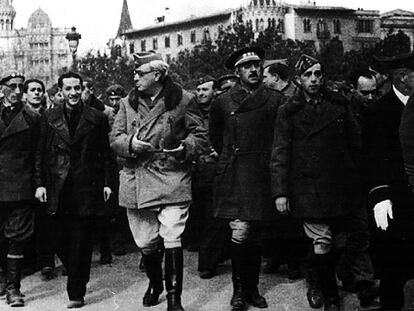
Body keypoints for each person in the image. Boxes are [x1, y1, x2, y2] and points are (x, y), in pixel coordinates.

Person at [110, 52, 207, 311]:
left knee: (172, 235)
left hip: (172, 176)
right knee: (146, 242)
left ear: (158, 74)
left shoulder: (184, 100)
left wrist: (185, 148)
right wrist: (130, 144)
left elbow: (201, 136)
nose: (135, 77)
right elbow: (115, 137)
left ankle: (174, 299)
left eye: (140, 73)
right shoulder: (126, 103)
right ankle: (156, 284)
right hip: (136, 177)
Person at [271, 54, 362, 311]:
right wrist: (280, 192)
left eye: (318, 74)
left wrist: (357, 179)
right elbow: (279, 153)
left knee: (343, 240)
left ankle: (317, 275)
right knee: (322, 241)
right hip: (307, 186)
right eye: (308, 75)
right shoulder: (288, 111)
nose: (314, 79)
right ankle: (330, 296)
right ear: (298, 80)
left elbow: (355, 144)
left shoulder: (339, 104)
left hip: (340, 184)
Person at [209, 46, 284, 311]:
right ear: (237, 71)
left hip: (262, 173)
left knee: (256, 235)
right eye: (246, 66)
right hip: (236, 173)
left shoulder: (275, 100)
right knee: (240, 233)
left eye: (256, 65)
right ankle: (239, 290)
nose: (253, 70)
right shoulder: (223, 102)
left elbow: (280, 137)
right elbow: (216, 137)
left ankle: (252, 289)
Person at [34, 72, 116, 308]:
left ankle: (76, 291)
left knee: (81, 238)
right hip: (57, 184)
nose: (73, 93)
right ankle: (77, 270)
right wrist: (39, 184)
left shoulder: (96, 117)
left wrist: (108, 183)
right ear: (61, 91)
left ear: (82, 89)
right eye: (68, 89)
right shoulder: (48, 117)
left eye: (76, 88)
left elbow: (106, 153)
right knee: (58, 237)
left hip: (86, 185)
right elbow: (40, 153)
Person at [365, 52, 414, 310]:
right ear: (403, 77)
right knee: (393, 269)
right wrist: (379, 196)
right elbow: (373, 158)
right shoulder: (379, 111)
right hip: (394, 200)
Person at [0, 71, 41, 307]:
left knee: (17, 237)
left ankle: (14, 287)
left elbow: (38, 155)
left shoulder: (32, 118)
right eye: (12, 86)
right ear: (2, 87)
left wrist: (37, 185)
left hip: (20, 186)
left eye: (20, 86)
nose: (17, 91)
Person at [261, 60, 303, 279]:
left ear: (276, 77)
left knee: (291, 216)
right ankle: (279, 256)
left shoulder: (295, 96)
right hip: (274, 159)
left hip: (293, 162)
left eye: (266, 76)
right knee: (276, 215)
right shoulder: (270, 97)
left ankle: (295, 262)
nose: (263, 80)